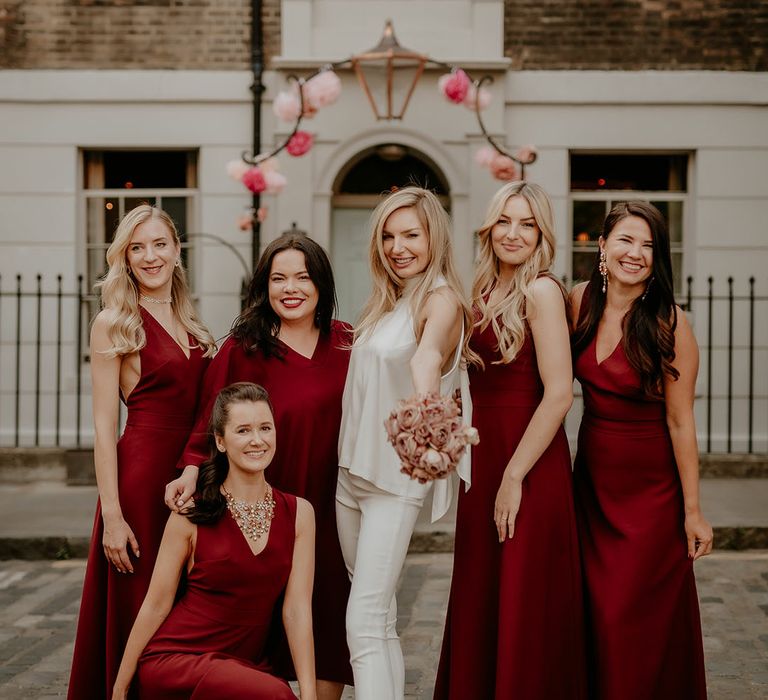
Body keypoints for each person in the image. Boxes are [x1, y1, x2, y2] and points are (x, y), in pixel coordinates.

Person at [165, 232, 352, 698]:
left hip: (329, 506)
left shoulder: (348, 343)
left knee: (326, 614)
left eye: (303, 277)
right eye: (279, 278)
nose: (291, 288)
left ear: (321, 284)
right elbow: (208, 420)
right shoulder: (243, 347)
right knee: (257, 622)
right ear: (264, 286)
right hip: (259, 506)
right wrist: (190, 470)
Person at [434, 181, 586, 698]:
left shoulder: (541, 290)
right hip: (486, 460)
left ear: (541, 232)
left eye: (527, 223)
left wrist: (514, 476)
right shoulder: (478, 291)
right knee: (482, 592)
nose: (513, 233)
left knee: (522, 597)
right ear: (489, 227)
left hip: (528, 464)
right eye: (504, 221)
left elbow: (560, 394)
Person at [68, 204, 215, 700]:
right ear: (124, 258)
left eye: (159, 244)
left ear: (177, 250)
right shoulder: (114, 322)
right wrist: (111, 514)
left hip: (195, 475)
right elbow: (105, 425)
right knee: (142, 605)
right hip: (140, 477)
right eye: (137, 247)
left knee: (184, 604)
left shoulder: (192, 322)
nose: (150, 256)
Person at [336, 186, 475, 700]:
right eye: (389, 237)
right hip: (348, 476)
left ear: (433, 236)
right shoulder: (386, 302)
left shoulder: (441, 299)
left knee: (363, 623)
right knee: (382, 618)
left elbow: (428, 356)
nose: (398, 247)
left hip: (395, 484)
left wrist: (428, 410)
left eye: (411, 235)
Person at [570, 201, 712, 699]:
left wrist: (692, 512)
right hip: (591, 487)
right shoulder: (576, 302)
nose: (636, 253)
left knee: (629, 616)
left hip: (650, 494)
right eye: (626, 240)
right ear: (602, 245)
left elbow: (680, 420)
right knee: (594, 611)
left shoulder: (670, 323)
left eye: (649, 245)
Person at [111, 382, 316, 700]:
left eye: (265, 428)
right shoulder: (191, 513)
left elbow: (297, 610)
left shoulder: (300, 513)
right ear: (220, 441)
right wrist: (121, 686)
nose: (257, 440)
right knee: (276, 695)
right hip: (178, 661)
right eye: (243, 430)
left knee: (271, 691)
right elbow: (156, 604)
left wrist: (310, 693)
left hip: (245, 669)